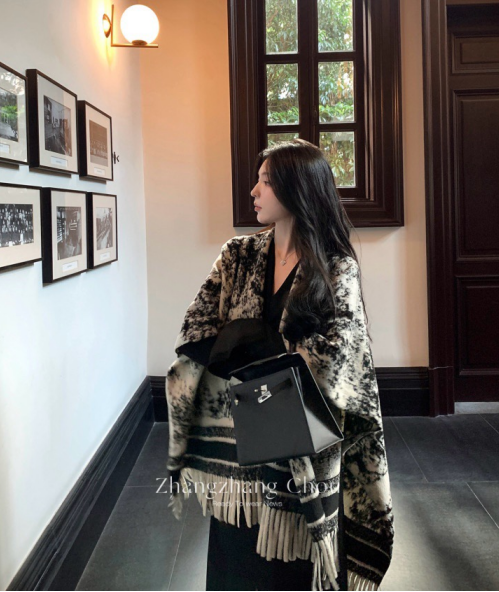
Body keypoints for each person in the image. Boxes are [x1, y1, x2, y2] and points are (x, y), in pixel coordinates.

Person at [165, 139, 394, 592]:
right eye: (258, 180)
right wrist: (269, 351)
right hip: (238, 444)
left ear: (298, 188)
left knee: (293, 570)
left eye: (266, 182)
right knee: (236, 561)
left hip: (303, 442)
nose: (254, 191)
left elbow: (342, 360)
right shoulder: (237, 255)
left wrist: (246, 343)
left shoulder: (335, 267)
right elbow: (196, 329)